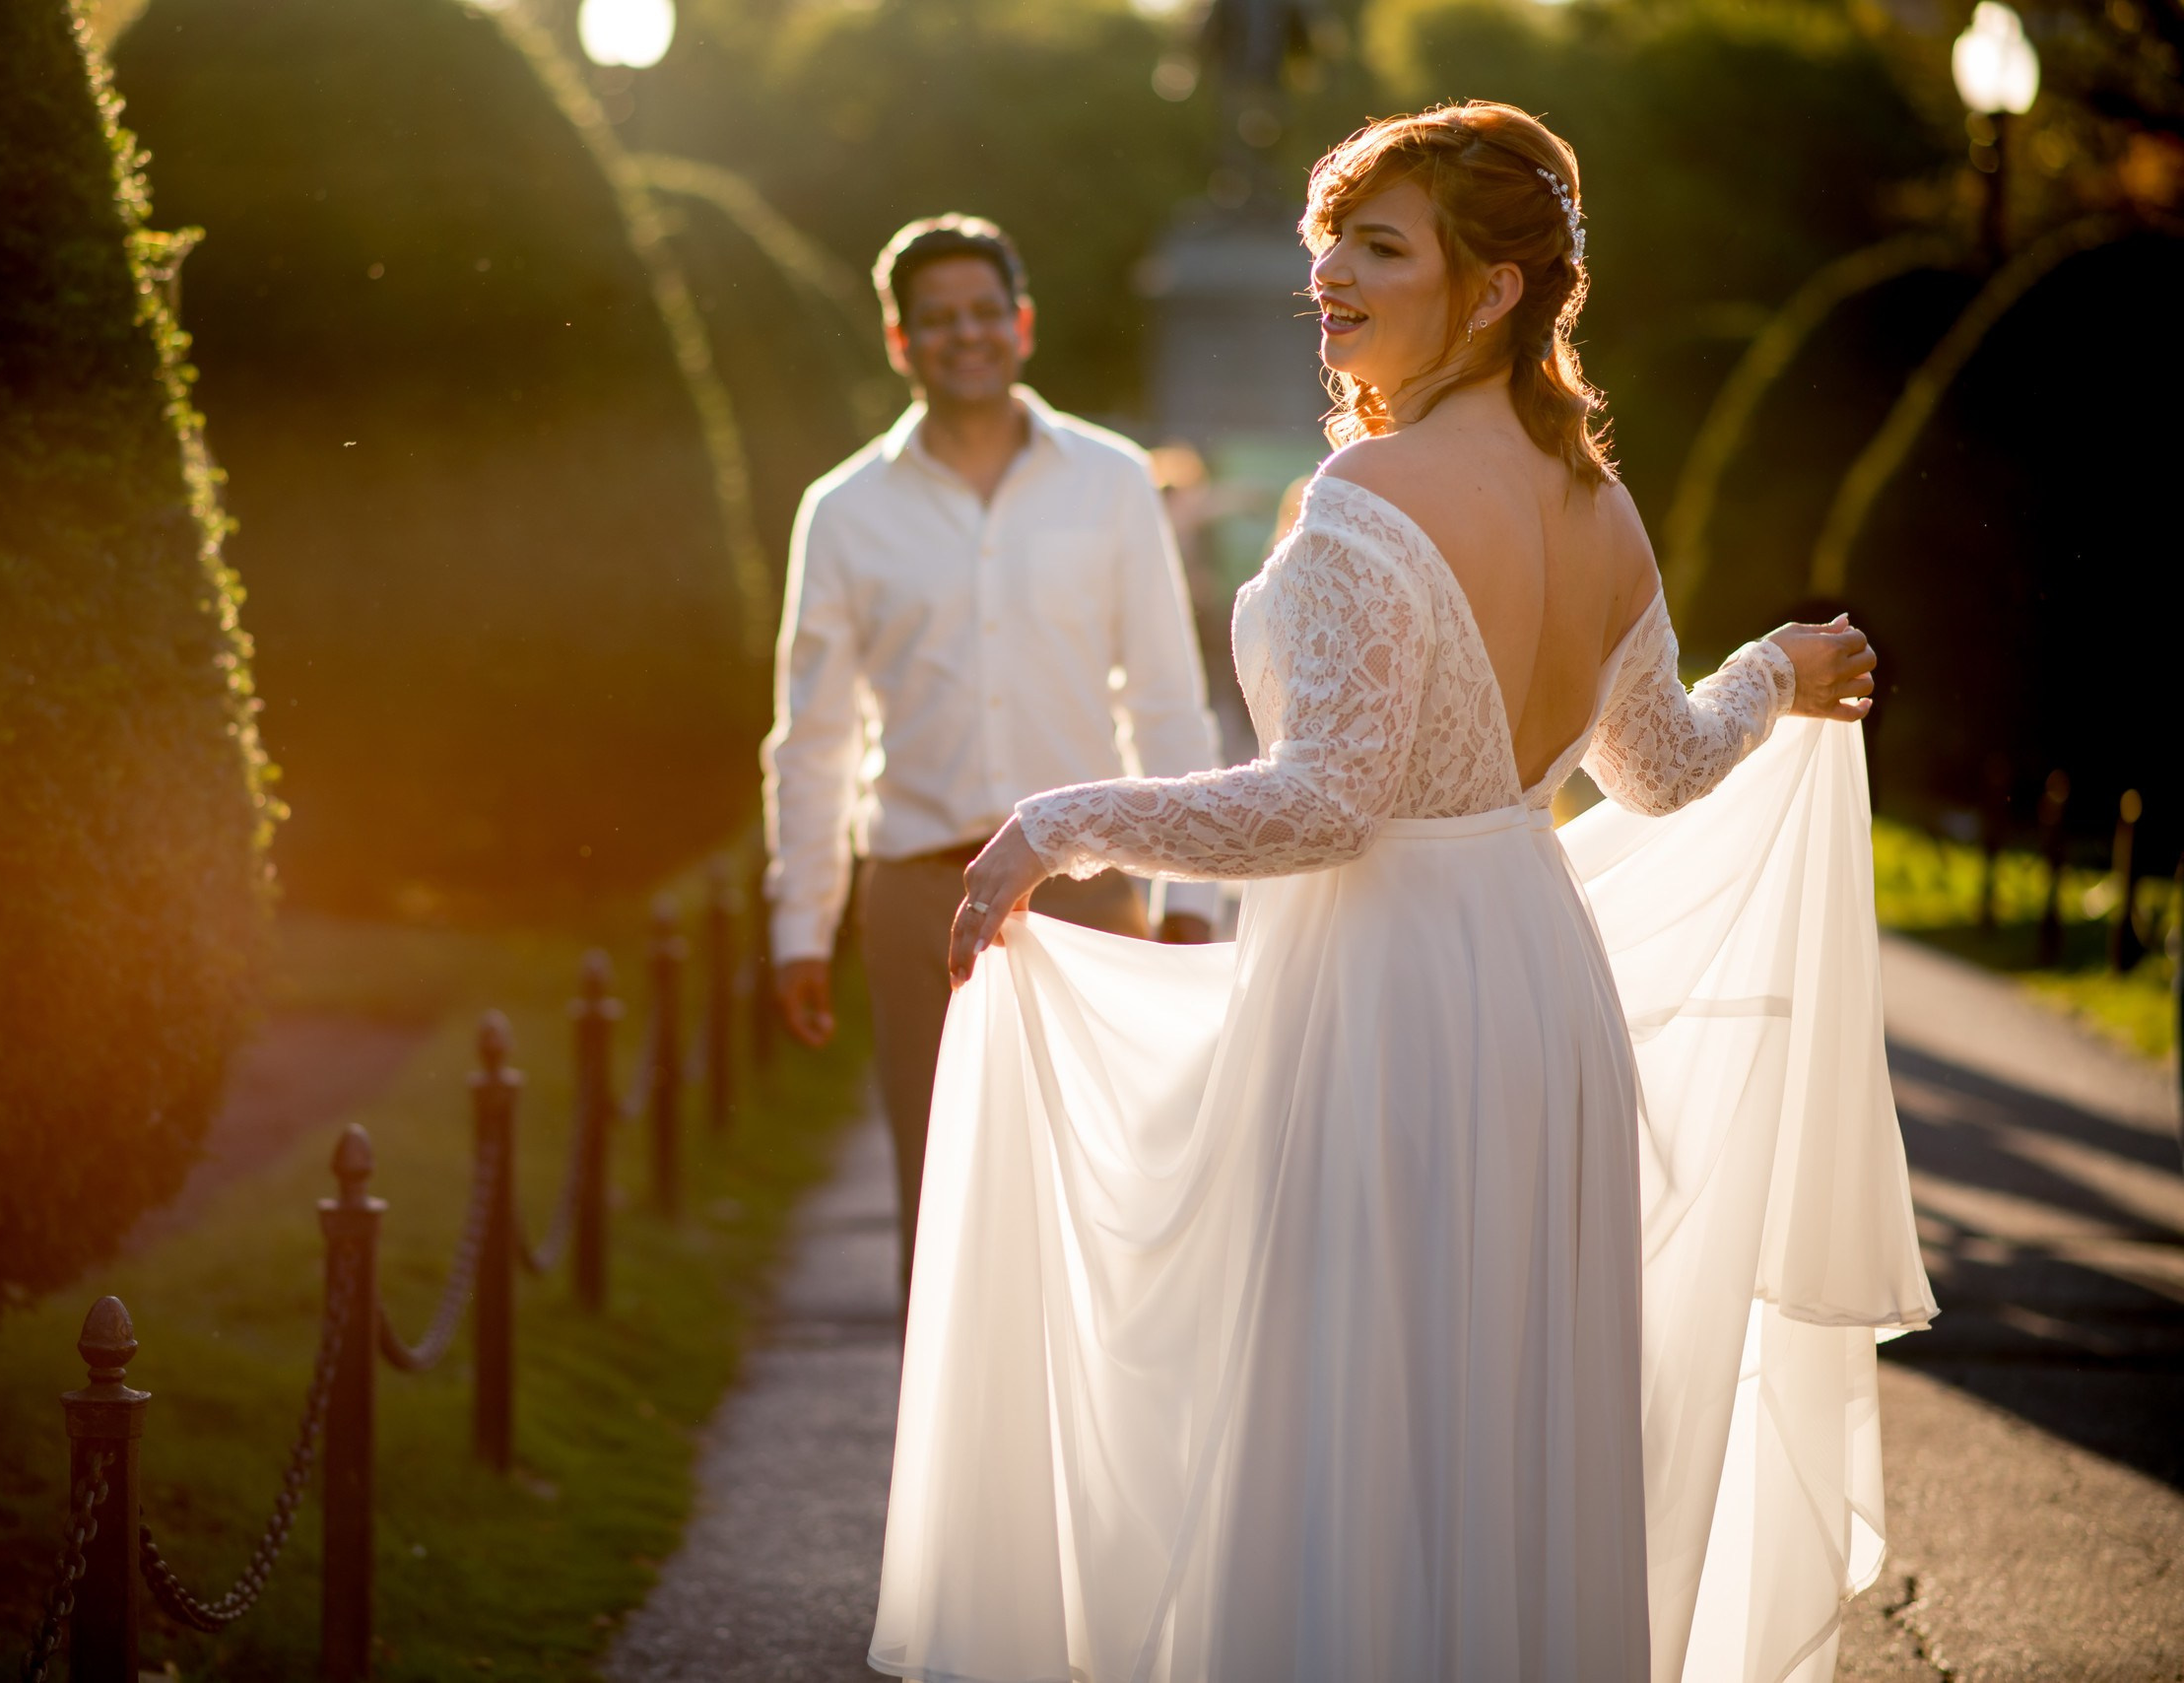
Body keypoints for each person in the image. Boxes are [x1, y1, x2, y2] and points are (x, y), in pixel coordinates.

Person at [871, 106, 1936, 1682]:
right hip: (1539, 995)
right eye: (1329, 242)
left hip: (1394, 1012)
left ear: (1494, 288)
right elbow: (1662, 766)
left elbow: (1327, 806)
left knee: (1355, 1413)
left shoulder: (1372, 497)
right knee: (1497, 1417)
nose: (1327, 277)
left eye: (1378, 248)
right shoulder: (1598, 504)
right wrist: (1775, 670)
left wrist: (1055, 822)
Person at [762, 215, 1224, 1290]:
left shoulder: (1109, 482)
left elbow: (1163, 695)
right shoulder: (842, 513)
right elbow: (815, 737)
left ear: (1019, 325)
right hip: (918, 904)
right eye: (937, 321)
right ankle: (950, 1462)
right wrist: (800, 923)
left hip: (1088, 897)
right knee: (944, 1218)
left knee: (1107, 1213)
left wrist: (1194, 892)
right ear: (899, 341)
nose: (963, 336)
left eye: (983, 313)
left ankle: (1103, 1464)